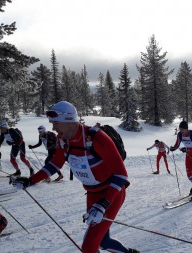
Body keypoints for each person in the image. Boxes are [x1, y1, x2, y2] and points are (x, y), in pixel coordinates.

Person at [11, 101, 138, 253]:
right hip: (92, 195)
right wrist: (30, 181)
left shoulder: (96, 138)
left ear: (69, 120)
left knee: (89, 247)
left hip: (111, 194)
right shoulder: (63, 140)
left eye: (56, 123)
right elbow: (54, 165)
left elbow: (121, 174)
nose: (53, 128)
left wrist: (103, 204)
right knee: (103, 241)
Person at [170, 121, 192, 200]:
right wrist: (173, 148)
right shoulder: (180, 134)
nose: (181, 131)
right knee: (189, 174)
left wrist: (187, 150)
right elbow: (177, 144)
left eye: (182, 130)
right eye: (180, 129)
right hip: (188, 155)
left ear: (186, 129)